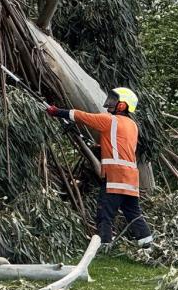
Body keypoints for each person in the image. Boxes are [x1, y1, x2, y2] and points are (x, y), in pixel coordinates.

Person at [47, 87, 153, 249]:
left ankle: (104, 246)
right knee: (133, 213)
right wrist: (79, 135)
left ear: (123, 106)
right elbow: (113, 147)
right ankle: (147, 244)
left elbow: (82, 116)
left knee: (104, 214)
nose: (109, 104)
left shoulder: (111, 121)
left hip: (115, 177)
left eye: (113, 100)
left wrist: (56, 111)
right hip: (130, 179)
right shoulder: (132, 125)